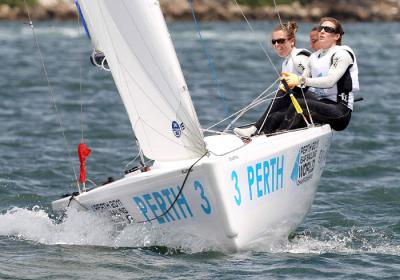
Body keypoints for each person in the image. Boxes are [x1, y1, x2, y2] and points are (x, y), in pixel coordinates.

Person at [278, 17, 359, 132]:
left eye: (327, 29)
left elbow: (329, 81)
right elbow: (302, 83)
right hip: (323, 103)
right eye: (321, 28)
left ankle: (280, 135)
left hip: (340, 111)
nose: (322, 31)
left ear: (337, 36)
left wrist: (299, 80)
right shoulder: (314, 57)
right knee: (285, 94)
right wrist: (289, 85)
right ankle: (257, 129)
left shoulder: (342, 54)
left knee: (299, 104)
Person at [234, 21, 313, 137]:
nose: (276, 45)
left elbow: (312, 78)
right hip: (295, 104)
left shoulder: (298, 58)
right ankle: (259, 135)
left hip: (312, 102)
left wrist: (295, 82)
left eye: (281, 41)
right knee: (273, 117)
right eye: (273, 42)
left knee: (283, 91)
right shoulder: (286, 62)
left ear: (292, 41)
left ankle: (255, 128)